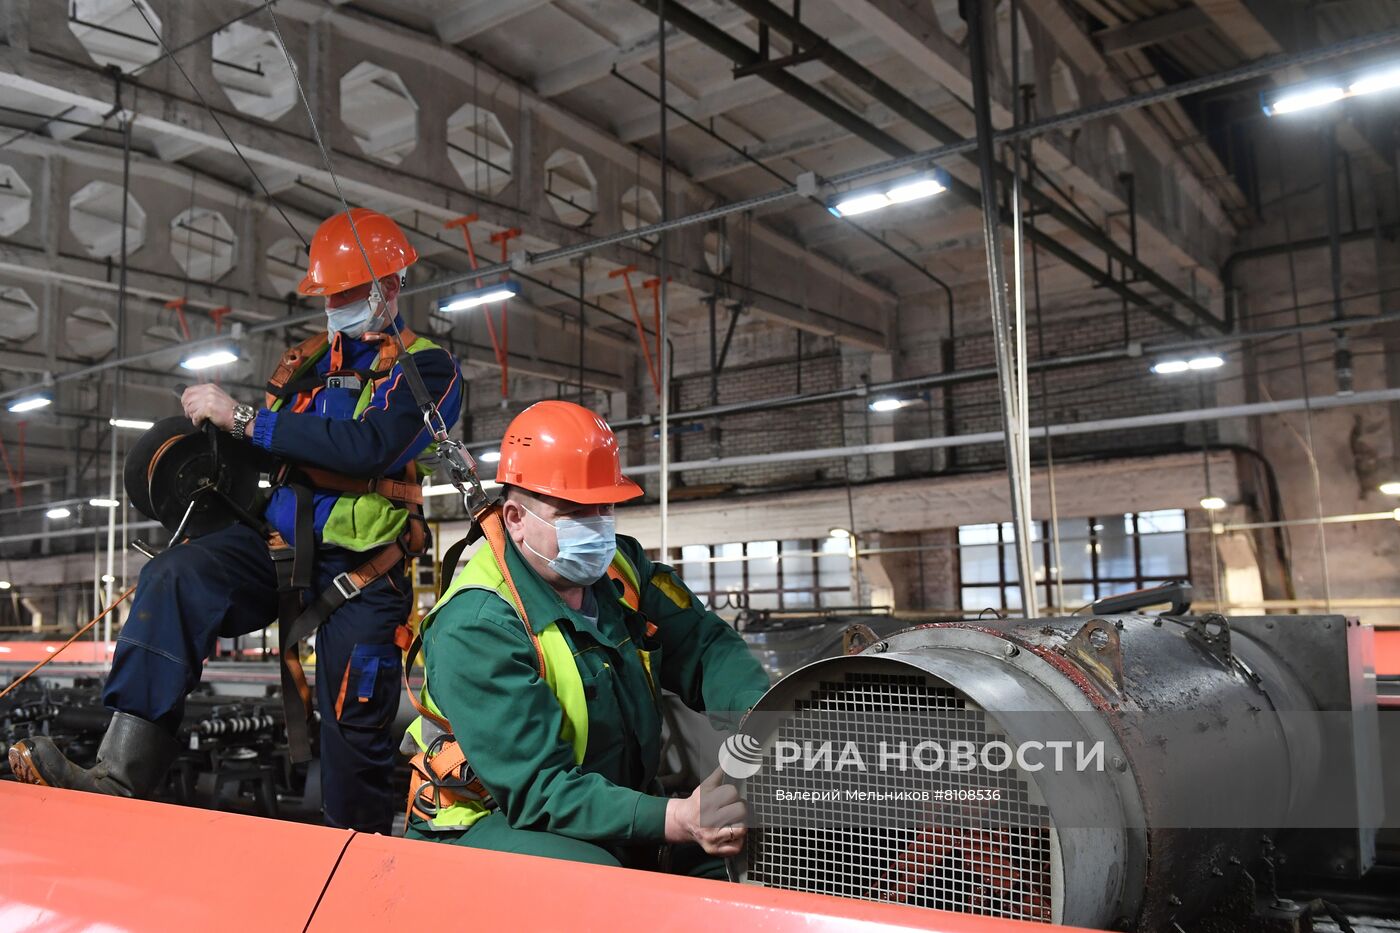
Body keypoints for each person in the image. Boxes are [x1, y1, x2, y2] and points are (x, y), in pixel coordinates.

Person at [8, 208, 462, 835]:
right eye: (330, 293)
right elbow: (260, 460)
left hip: (363, 568)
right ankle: (117, 775)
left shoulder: (427, 368)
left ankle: (356, 866)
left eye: (350, 292)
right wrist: (210, 457)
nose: (336, 304)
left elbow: (370, 446)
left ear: (391, 287)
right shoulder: (302, 364)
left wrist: (248, 418)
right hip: (276, 545)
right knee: (173, 577)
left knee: (352, 726)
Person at [402, 400, 769, 876]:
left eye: (604, 506)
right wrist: (675, 817)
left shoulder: (621, 570)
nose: (596, 527)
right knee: (602, 885)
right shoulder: (479, 623)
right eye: (574, 511)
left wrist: (764, 721)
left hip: (609, 805)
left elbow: (703, 645)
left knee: (755, 852)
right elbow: (537, 788)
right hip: (491, 821)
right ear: (514, 518)